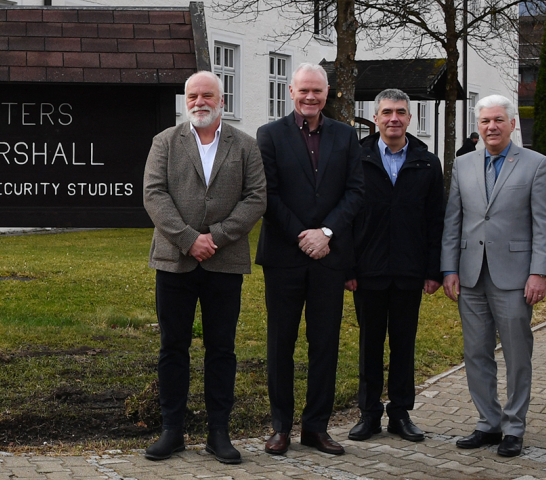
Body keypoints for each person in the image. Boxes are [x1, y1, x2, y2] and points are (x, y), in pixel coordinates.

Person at [141, 71, 266, 464]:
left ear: (222, 100)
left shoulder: (245, 145)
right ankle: (172, 431)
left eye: (207, 95)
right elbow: (153, 194)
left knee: (222, 349)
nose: (199, 101)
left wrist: (217, 236)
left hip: (224, 262)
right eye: (192, 95)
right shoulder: (165, 141)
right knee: (173, 347)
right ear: (186, 100)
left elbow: (256, 197)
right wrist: (188, 238)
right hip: (174, 261)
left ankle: (218, 433)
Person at [256, 63, 364, 456]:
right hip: (285, 256)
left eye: (317, 91)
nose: (310, 97)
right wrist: (304, 235)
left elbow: (355, 191)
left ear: (327, 93)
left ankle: (316, 428)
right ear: (291, 91)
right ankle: (280, 427)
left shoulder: (346, 136)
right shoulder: (269, 135)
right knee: (280, 343)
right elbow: (267, 195)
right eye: (304, 90)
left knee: (325, 344)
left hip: (329, 257)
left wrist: (327, 233)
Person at [441, 94, 546, 457]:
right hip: (471, 275)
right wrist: (449, 268)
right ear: (478, 126)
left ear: (512, 124)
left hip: (516, 277)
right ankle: (487, 423)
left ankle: (514, 427)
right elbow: (453, 220)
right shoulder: (463, 164)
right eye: (485, 121)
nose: (491, 127)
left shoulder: (536, 164)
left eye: (498, 121)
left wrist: (539, 272)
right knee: (475, 352)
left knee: (518, 354)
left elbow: (544, 223)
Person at [344, 89, 443, 444]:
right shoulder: (357, 157)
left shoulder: (427, 162)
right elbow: (348, 217)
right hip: (367, 270)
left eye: (400, 112)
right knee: (370, 342)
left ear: (410, 118)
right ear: (376, 117)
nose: (394, 118)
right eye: (387, 112)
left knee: (404, 343)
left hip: (409, 270)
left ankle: (400, 413)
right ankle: (369, 414)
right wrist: (348, 268)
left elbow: (435, 221)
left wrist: (433, 270)